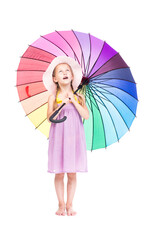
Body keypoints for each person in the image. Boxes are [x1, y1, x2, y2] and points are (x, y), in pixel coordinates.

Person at [43, 56, 89, 216]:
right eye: (60, 71)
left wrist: (74, 102)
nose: (64, 73)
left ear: (72, 76)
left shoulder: (79, 97)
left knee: (72, 173)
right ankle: (61, 204)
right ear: (55, 78)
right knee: (59, 172)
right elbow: (49, 118)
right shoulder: (52, 98)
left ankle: (70, 204)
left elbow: (86, 115)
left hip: (74, 139)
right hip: (59, 139)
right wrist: (61, 104)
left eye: (67, 70)